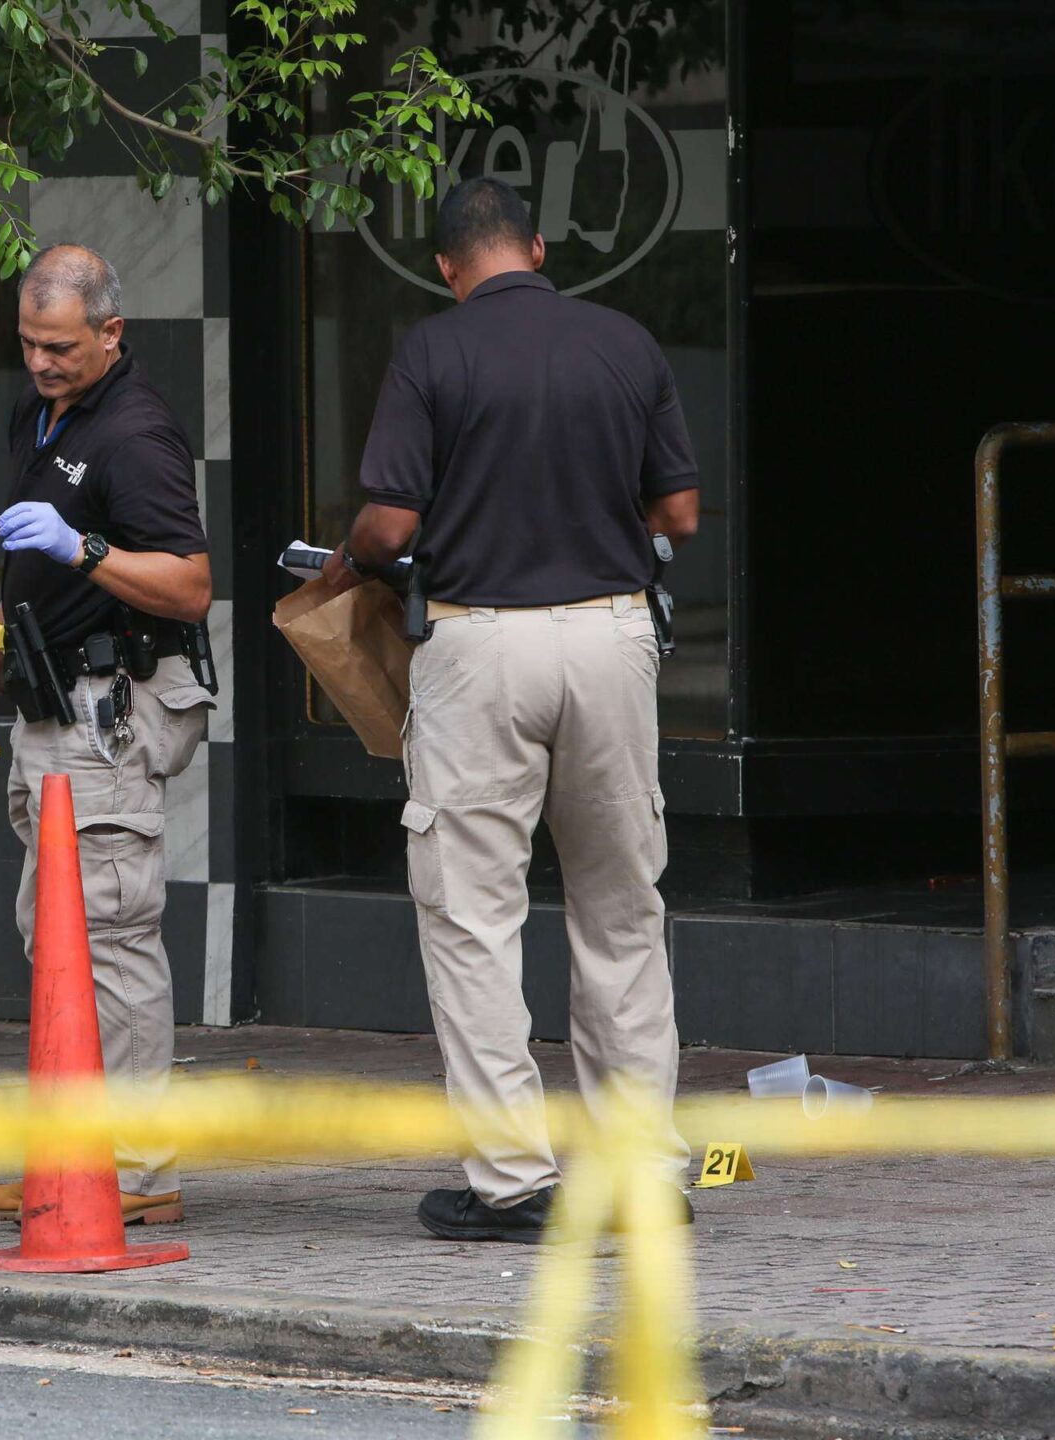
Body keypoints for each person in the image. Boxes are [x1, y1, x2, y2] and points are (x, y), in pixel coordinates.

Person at [318, 177, 702, 1242]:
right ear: (538, 247)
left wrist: (353, 554)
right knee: (623, 911)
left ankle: (514, 1183)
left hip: (481, 645)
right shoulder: (624, 343)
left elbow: (391, 525)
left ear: (447, 266)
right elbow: (679, 511)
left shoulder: (431, 354)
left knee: (475, 918)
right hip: (612, 639)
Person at [0, 245, 216, 1226]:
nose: (41, 363)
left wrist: (89, 547)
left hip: (111, 707)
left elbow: (190, 584)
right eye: (27, 343)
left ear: (111, 333)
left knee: (110, 936)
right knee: (54, 935)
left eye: (59, 346)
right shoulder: (40, 411)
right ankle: (72, 1156)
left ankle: (138, 1171)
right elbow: (25, 572)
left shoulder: (137, 434)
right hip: (47, 701)